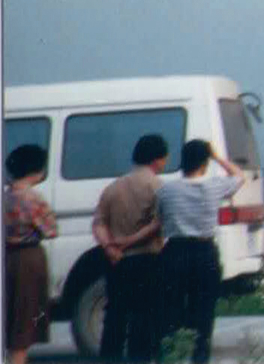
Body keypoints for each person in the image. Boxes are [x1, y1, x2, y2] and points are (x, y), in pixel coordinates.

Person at [155, 140, 243, 364]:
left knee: (171, 312)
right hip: (204, 253)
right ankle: (200, 359)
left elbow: (159, 220)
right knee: (203, 315)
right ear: (204, 163)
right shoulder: (213, 186)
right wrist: (217, 156)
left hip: (174, 251)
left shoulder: (166, 189)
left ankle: (172, 357)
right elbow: (239, 176)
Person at [93, 134, 170, 362]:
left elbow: (98, 222)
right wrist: (130, 241)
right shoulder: (159, 188)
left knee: (115, 317)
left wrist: (109, 246)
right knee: (144, 319)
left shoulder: (113, 187)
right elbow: (158, 225)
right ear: (158, 159)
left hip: (116, 261)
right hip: (147, 259)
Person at [5, 144, 58, 364]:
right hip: (28, 259)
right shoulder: (33, 198)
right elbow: (51, 230)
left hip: (6, 257)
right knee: (24, 320)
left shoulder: (5, 196)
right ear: (36, 170)